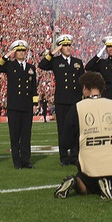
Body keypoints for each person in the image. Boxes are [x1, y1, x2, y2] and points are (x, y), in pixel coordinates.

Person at [54, 71, 112, 201]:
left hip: (89, 165)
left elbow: (65, 142)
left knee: (88, 184)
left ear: (85, 87)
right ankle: (111, 183)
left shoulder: (77, 108)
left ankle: (76, 181)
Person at [38, 33, 83, 166]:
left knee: (75, 128)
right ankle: (64, 157)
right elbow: (42, 65)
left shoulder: (77, 62)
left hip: (75, 100)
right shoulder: (55, 61)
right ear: (60, 47)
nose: (68, 47)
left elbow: (82, 81)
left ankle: (74, 156)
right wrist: (53, 53)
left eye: (69, 45)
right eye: (65, 45)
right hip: (62, 100)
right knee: (62, 129)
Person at [0, 39, 39, 169]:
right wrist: (7, 55)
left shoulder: (31, 68)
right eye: (18, 50)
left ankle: (26, 160)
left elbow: (33, 87)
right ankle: (17, 162)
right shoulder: (10, 65)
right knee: (15, 135)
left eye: (23, 50)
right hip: (14, 106)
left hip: (26, 105)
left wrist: (34, 103)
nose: (21, 53)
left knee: (26, 135)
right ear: (14, 52)